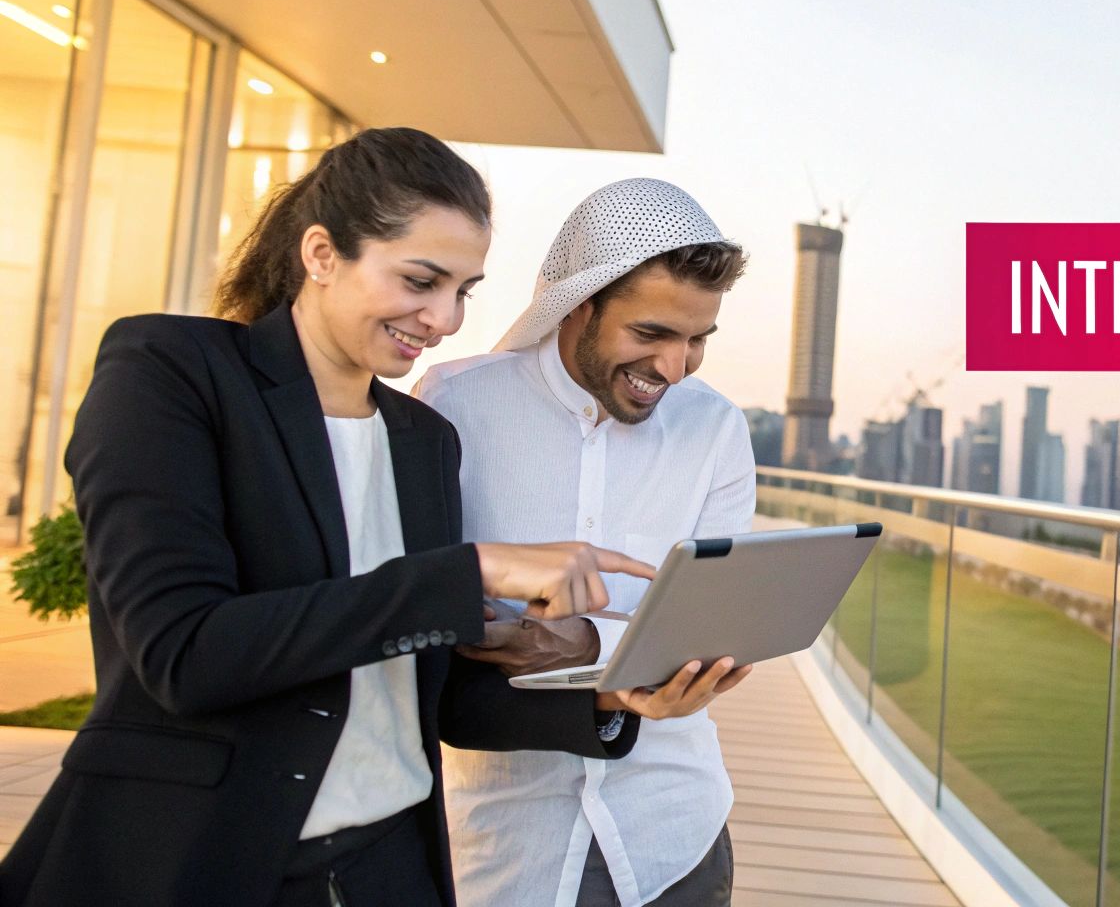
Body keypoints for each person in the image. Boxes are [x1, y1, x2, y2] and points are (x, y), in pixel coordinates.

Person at [0, 128, 681, 907]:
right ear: (321, 255)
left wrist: (610, 695)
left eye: (463, 289)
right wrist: (472, 571)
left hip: (387, 867)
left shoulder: (425, 439)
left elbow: (425, 696)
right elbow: (183, 654)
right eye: (421, 280)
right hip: (194, 860)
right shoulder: (171, 373)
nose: (444, 319)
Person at [416, 178, 757, 907]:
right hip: (503, 843)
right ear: (579, 305)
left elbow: (713, 626)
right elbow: (423, 610)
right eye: (651, 334)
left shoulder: (717, 429)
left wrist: (582, 645)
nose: (674, 367)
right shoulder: (453, 406)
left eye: (697, 340)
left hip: (672, 833)